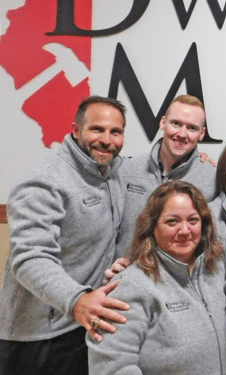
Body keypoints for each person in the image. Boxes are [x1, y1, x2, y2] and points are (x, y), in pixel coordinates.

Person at [0, 96, 130, 375]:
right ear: (75, 130)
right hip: (38, 337)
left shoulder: (112, 173)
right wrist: (77, 301)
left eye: (115, 132)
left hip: (83, 324)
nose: (107, 140)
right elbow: (30, 258)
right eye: (97, 129)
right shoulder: (45, 182)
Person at [87, 181, 226, 375]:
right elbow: (111, 368)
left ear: (204, 224)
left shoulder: (223, 270)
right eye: (172, 221)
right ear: (152, 226)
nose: (184, 231)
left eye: (193, 220)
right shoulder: (129, 286)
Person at [116, 94, 217, 257]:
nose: (182, 134)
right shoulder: (128, 170)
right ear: (163, 122)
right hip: (125, 275)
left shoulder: (212, 179)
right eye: (176, 124)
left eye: (192, 128)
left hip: (177, 280)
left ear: (202, 133)